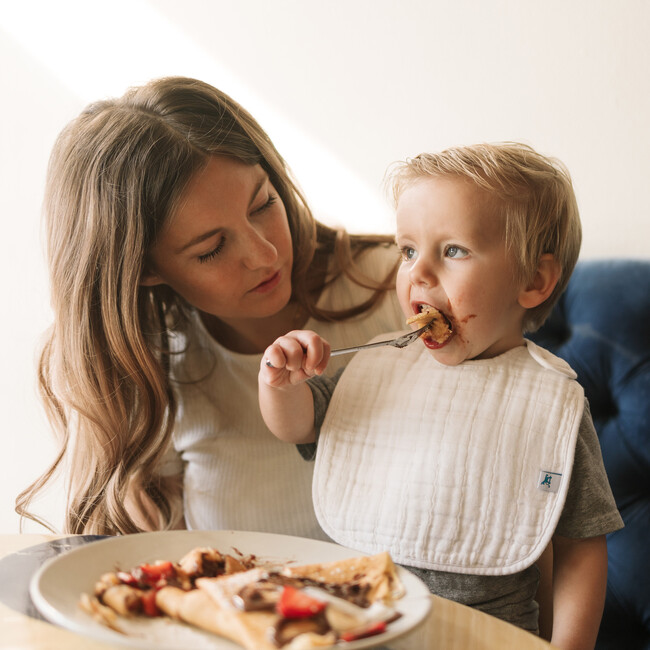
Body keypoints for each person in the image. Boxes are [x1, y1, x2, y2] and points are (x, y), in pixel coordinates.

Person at [258, 143, 623, 649]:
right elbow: (298, 425)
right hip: (360, 624)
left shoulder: (550, 400)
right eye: (408, 250)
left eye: (453, 250)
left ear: (534, 281)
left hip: (488, 635)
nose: (418, 273)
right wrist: (280, 381)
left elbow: (581, 546)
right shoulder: (383, 366)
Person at [15, 76, 405, 539]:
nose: (265, 254)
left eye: (263, 204)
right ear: (144, 269)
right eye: (212, 248)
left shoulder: (401, 289)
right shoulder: (152, 374)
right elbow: (174, 577)